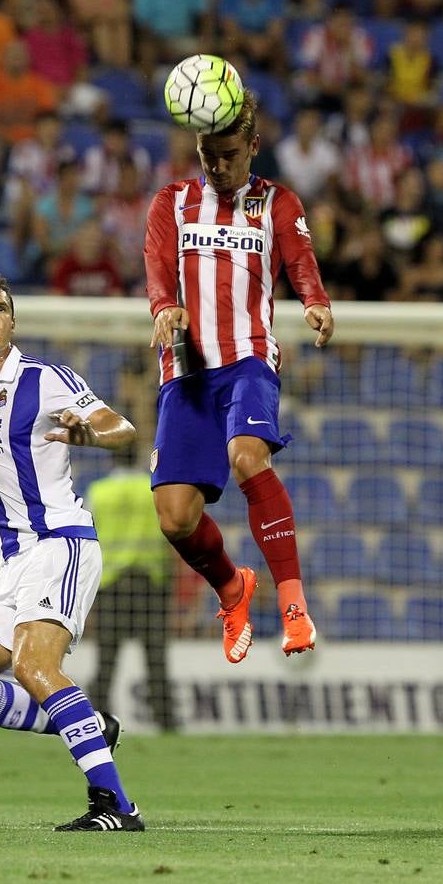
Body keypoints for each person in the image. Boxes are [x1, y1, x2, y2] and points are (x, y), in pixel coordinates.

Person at [0, 270, 144, 832]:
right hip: (10, 565)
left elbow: (123, 428)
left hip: (61, 543)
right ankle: (90, 725)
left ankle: (117, 804)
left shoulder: (46, 379)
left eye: (0, 307)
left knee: (33, 665)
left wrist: (88, 432)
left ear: (13, 321)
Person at [144, 88, 334, 665]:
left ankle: (295, 605)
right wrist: (162, 308)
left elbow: (301, 263)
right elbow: (156, 264)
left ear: (252, 146)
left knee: (249, 455)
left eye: (229, 154)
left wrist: (315, 302)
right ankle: (233, 588)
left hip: (249, 356)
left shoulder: (279, 203)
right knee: (176, 518)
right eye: (208, 156)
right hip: (186, 369)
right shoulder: (172, 202)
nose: (219, 166)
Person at [87, 442, 177, 731]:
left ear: (112, 458)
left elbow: (88, 538)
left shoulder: (98, 492)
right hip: (150, 583)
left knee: (106, 660)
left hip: (111, 586)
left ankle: (97, 722)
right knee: (156, 659)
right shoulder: (152, 490)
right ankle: (166, 722)